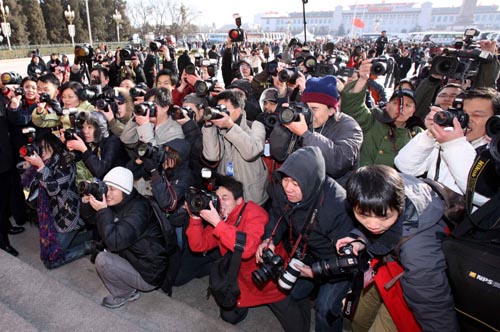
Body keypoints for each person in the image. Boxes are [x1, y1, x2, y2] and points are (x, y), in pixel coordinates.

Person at [337, 165, 459, 332]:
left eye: (383, 216)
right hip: (383, 269)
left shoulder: (418, 248)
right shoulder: (384, 187)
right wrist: (360, 238)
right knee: (358, 319)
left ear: (400, 206)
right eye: (363, 215)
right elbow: (375, 222)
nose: (373, 225)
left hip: (409, 284)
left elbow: (432, 304)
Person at [257, 146, 354, 332]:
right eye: (285, 179)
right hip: (305, 252)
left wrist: (316, 272)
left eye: (295, 183)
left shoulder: (338, 206)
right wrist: (268, 239)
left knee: (326, 310)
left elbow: (348, 259)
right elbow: (277, 215)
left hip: (335, 263)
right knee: (290, 290)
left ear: (311, 182)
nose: (288, 188)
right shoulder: (281, 190)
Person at [183, 175, 286, 324]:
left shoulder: (254, 213)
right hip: (241, 279)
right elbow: (199, 245)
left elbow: (248, 248)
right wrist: (195, 219)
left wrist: (217, 223)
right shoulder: (222, 217)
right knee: (229, 316)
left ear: (239, 201)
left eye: (225, 198)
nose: (220, 203)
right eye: (217, 198)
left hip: (269, 282)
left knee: (297, 325)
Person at [395, 87, 500, 209]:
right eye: (463, 113)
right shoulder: (446, 138)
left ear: (495, 120)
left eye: (477, 115)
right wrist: (429, 135)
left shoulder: (494, 152)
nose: (467, 120)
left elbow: (481, 196)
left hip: (466, 225)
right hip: (430, 215)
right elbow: (405, 167)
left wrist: (453, 145)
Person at [83, 167, 171, 308]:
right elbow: (91, 220)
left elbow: (114, 242)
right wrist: (87, 202)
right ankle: (126, 282)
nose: (108, 194)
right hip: (133, 257)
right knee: (102, 249)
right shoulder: (119, 201)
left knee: (102, 260)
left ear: (125, 190)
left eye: (112, 189)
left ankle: (126, 293)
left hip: (148, 273)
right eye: (106, 188)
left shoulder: (139, 210)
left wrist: (103, 211)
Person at [270, 75, 363, 184]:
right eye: (306, 107)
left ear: (331, 110)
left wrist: (306, 135)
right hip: (301, 187)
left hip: (330, 192)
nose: (309, 113)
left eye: (314, 108)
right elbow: (279, 154)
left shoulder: (350, 127)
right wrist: (284, 124)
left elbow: (338, 164)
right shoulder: (301, 120)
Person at [21, 133, 91, 269]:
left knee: (51, 261)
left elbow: (54, 189)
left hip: (67, 216)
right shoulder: (47, 161)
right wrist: (30, 165)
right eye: (39, 148)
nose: (42, 151)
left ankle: (90, 246)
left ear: (53, 146)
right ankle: (93, 234)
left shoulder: (66, 162)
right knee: (53, 247)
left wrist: (40, 167)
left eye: (44, 148)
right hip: (54, 216)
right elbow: (28, 188)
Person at [341, 59, 423, 168]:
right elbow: (353, 108)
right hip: (361, 179)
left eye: (407, 105)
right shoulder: (373, 119)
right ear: (387, 105)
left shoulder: (416, 134)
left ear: (413, 111)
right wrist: (362, 79)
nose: (401, 108)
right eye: (396, 103)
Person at [202, 89, 268, 206]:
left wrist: (231, 127)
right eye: (218, 108)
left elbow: (251, 152)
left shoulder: (255, 126)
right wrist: (209, 126)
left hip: (252, 195)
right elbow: (211, 156)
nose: (221, 112)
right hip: (227, 194)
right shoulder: (218, 129)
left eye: (224, 109)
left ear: (238, 110)